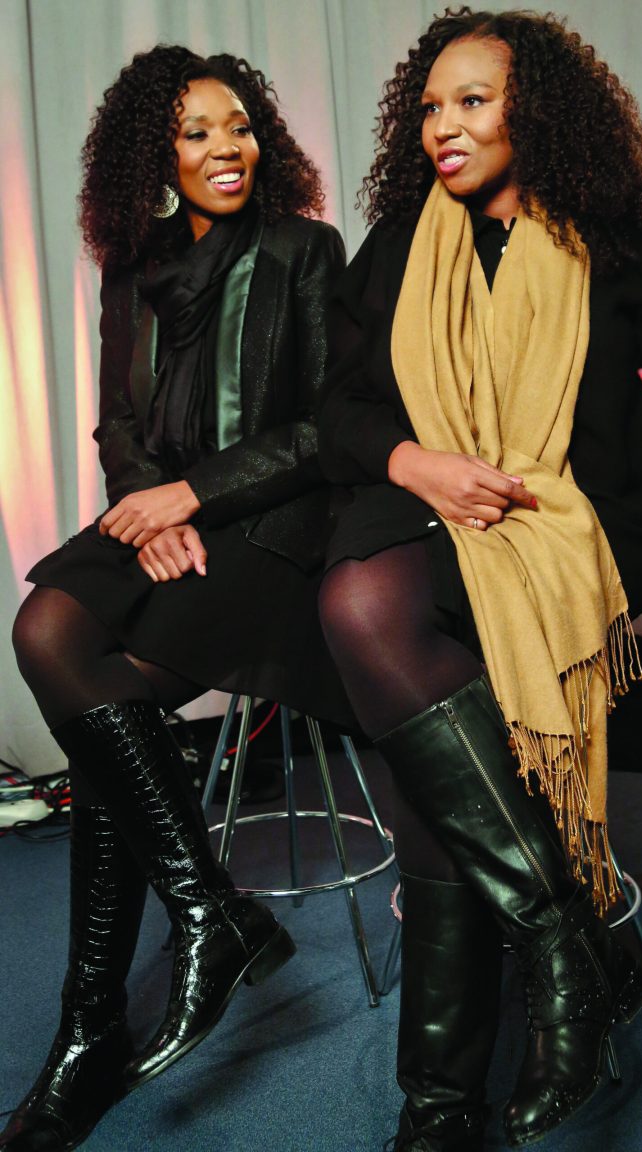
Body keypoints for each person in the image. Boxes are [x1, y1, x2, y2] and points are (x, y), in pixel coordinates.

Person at [317, 9, 642, 1151]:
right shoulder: (406, 234)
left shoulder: (617, 239)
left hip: (581, 526)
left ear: (537, 109)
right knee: (368, 611)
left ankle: (441, 1105)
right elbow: (342, 408)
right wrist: (416, 460)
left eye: (473, 101)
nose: (442, 128)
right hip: (435, 504)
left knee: (393, 673)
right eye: (429, 106)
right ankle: (561, 947)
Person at [5, 46, 348, 1152]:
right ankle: (215, 913)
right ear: (157, 155)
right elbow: (117, 426)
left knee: (102, 707)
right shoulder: (134, 267)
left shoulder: (307, 251)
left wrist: (196, 498)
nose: (225, 149)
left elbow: (328, 430)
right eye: (197, 133)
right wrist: (151, 508)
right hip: (163, 521)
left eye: (239, 126)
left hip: (271, 532)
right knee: (45, 627)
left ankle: (88, 1029)